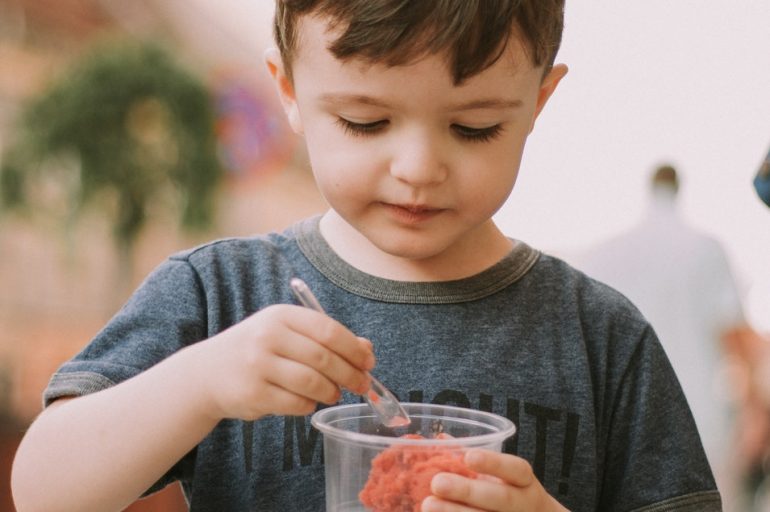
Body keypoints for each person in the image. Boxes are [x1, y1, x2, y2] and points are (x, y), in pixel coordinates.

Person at [11, 2, 720, 511]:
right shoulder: (220, 295)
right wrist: (203, 381)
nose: (417, 167)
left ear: (539, 99)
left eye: (473, 128)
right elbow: (42, 489)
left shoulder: (600, 335)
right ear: (288, 90)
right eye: (365, 121)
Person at [573, 164, 745, 510]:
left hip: (618, 420)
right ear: (678, 189)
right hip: (699, 418)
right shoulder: (705, 249)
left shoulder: (605, 254)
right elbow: (734, 339)